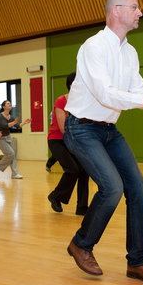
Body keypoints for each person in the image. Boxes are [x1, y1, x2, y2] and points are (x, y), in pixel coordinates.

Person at [63, 0, 143, 285]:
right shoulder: (94, 46)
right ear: (116, 11)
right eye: (135, 7)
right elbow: (105, 94)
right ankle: (81, 244)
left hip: (108, 130)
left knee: (138, 189)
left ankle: (138, 263)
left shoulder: (130, 52)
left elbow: (136, 90)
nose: (140, 12)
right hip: (81, 128)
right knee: (112, 187)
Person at [47, 72, 89, 215]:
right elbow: (62, 128)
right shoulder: (61, 101)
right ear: (71, 85)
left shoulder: (83, 102)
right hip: (57, 140)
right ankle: (56, 196)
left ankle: (82, 207)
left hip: (75, 140)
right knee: (72, 169)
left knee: (84, 171)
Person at [0, 100, 31, 179]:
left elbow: (18, 125)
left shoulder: (11, 117)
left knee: (13, 156)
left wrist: (24, 122)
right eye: (8, 103)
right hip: (0, 138)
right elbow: (5, 125)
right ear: (4, 107)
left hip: (8, 137)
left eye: (10, 103)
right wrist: (14, 122)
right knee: (10, 153)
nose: (10, 104)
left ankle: (14, 174)